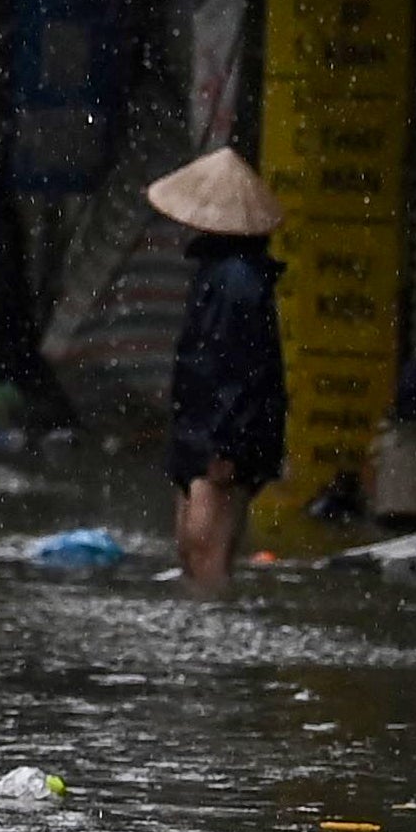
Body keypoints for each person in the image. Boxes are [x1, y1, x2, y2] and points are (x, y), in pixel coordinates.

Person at [151, 145, 285, 584]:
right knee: (193, 551)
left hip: (223, 434)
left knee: (207, 557)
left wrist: (225, 447)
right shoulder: (219, 272)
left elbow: (242, 368)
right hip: (206, 429)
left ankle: (215, 640)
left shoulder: (237, 281)